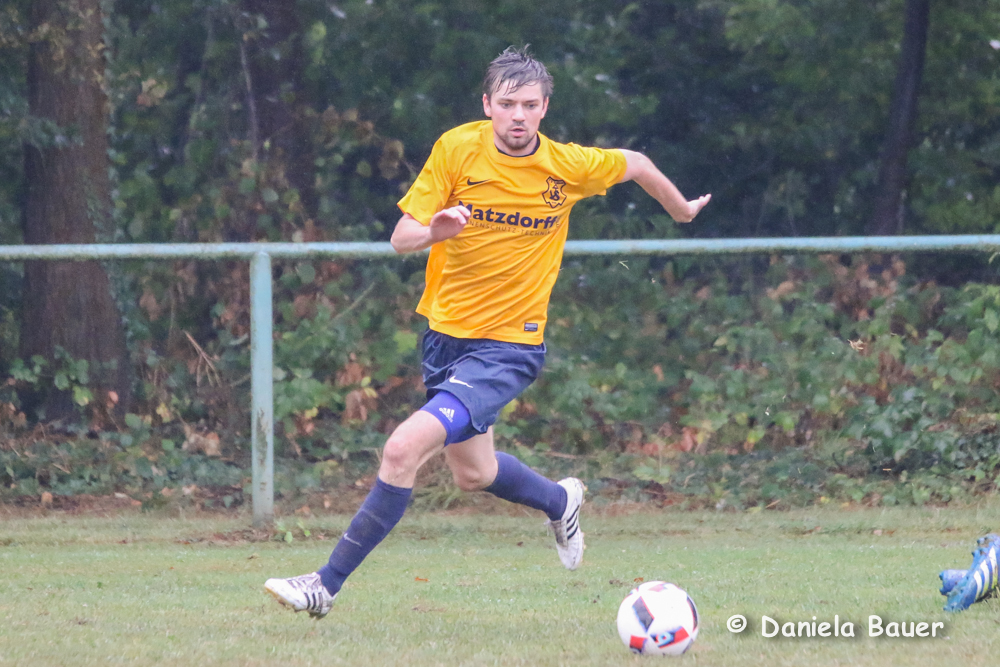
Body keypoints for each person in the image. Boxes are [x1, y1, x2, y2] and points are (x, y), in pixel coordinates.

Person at [264, 46, 711, 619]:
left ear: (545, 108)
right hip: (446, 338)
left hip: (509, 346)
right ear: (487, 105)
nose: (518, 115)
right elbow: (401, 238)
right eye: (507, 104)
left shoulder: (567, 166)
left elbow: (638, 163)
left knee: (402, 449)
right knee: (474, 473)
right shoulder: (457, 149)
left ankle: (324, 585)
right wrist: (437, 230)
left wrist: (681, 211)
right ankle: (559, 500)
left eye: (529, 104)